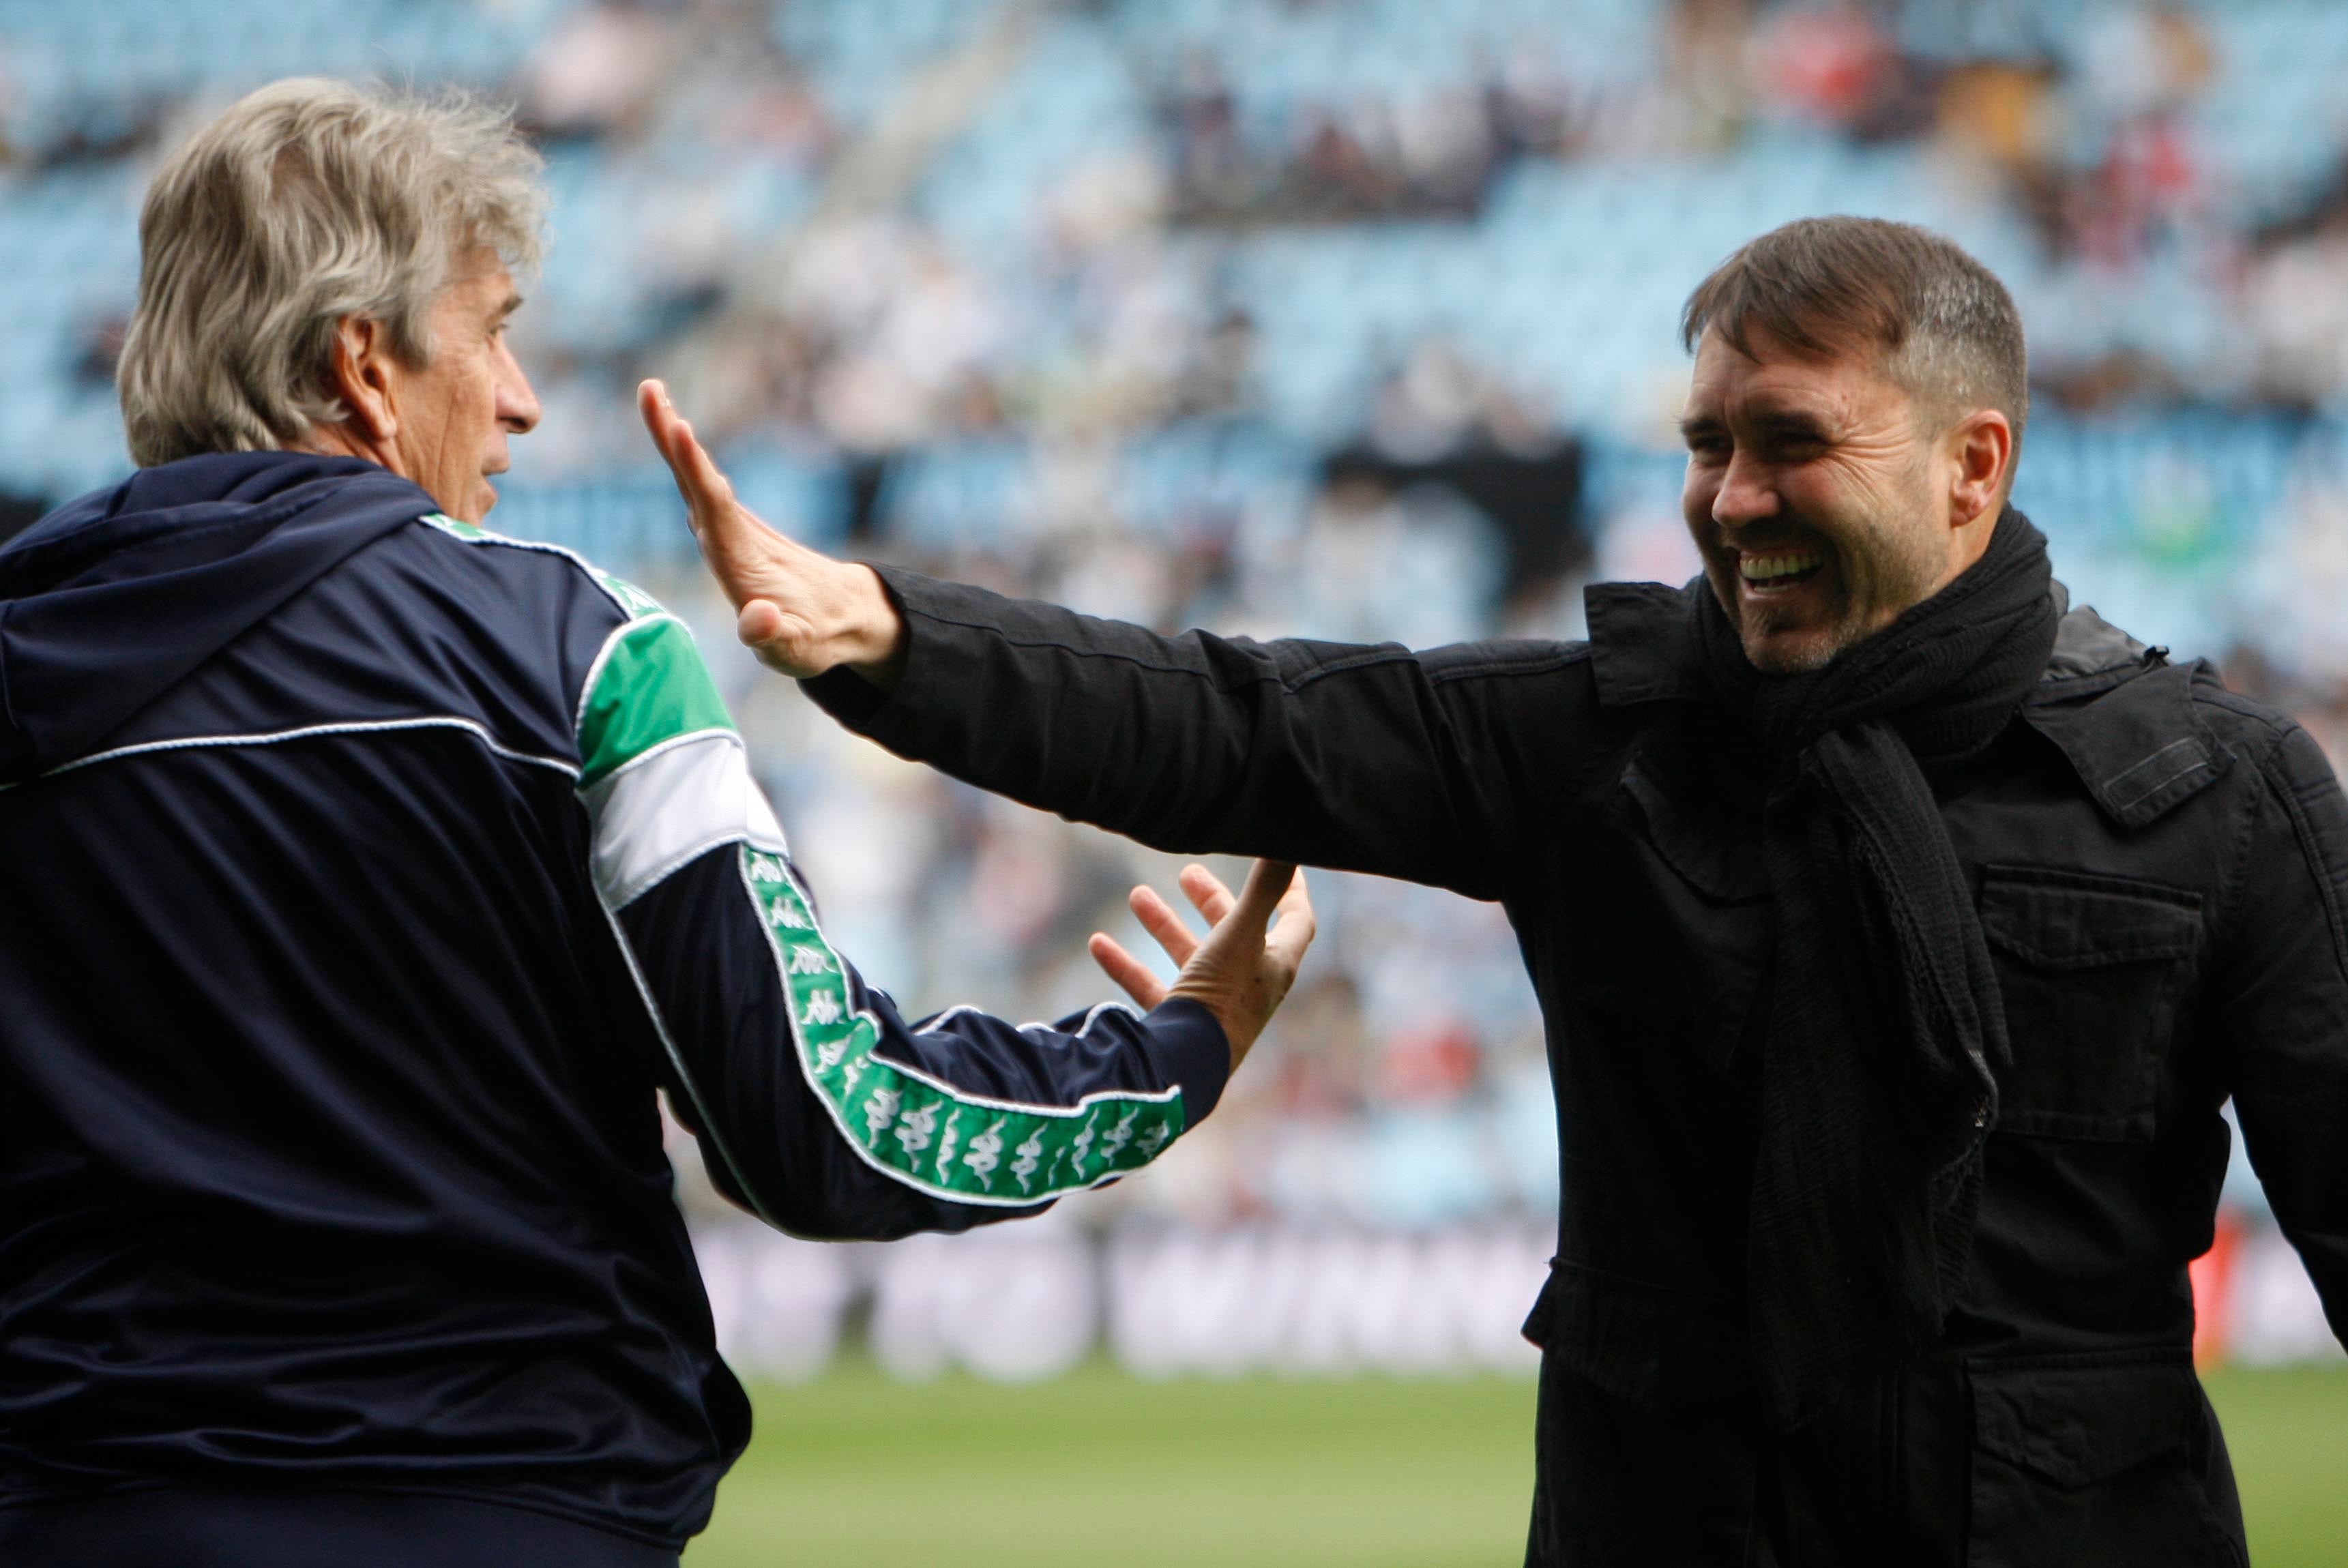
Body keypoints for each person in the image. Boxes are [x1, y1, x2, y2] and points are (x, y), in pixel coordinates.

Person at [646, 216, 2348, 1565]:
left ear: (1970, 467)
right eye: (1706, 443)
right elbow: (1235, 719)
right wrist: (893, 636)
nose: (1730, 500)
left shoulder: (2221, 796)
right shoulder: (1590, 744)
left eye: (1789, 443)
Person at [0, 79, 1314, 1568]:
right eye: (491, 327)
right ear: (364, 365)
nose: (521, 394)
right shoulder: (573, 653)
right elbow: (821, 1131)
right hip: (500, 1506)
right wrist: (1172, 1051)